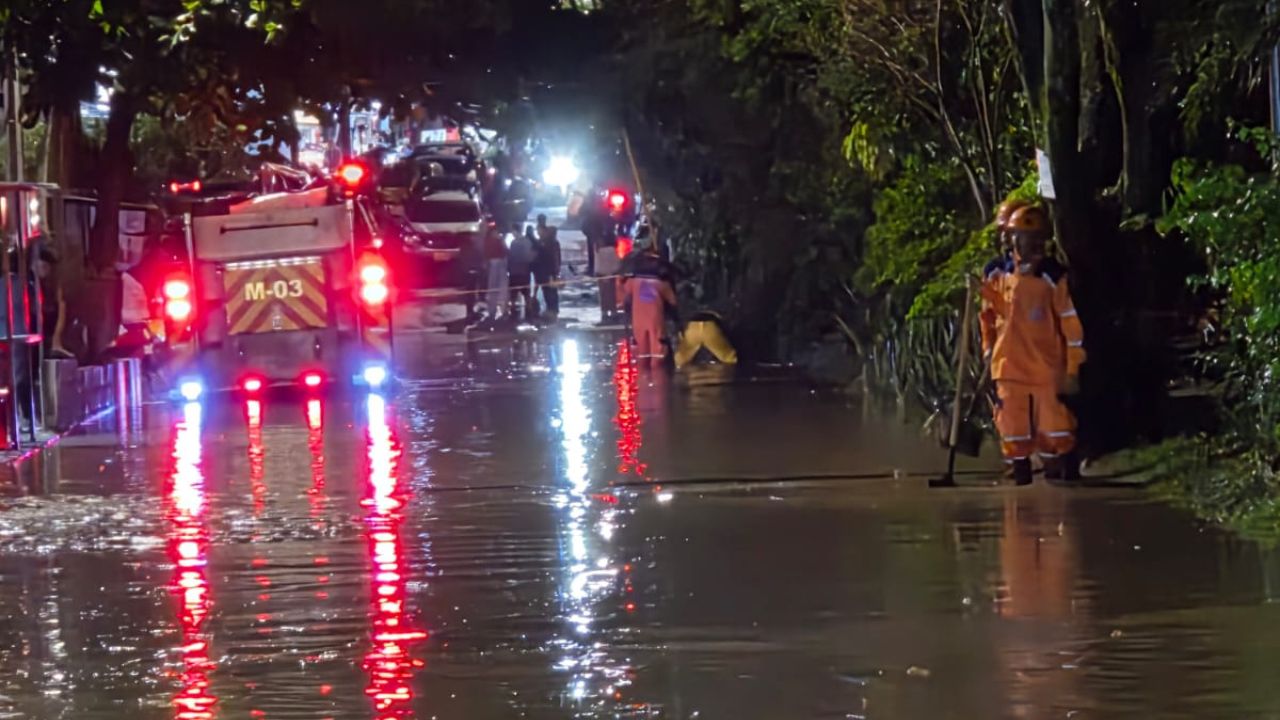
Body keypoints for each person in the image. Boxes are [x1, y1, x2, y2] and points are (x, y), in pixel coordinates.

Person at [980, 205, 1086, 485]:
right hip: (1007, 366)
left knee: (1055, 428)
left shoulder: (1052, 277)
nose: (1031, 245)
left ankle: (1063, 472)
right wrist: (987, 349)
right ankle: (1020, 476)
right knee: (1012, 427)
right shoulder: (996, 274)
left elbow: (1070, 324)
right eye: (1024, 238)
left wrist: (1072, 368)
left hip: (1046, 367)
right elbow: (988, 317)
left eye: (1036, 238)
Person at [980, 199, 1027, 355]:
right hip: (1006, 357)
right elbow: (987, 314)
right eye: (1001, 230)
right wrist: (988, 346)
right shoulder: (993, 270)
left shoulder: (1045, 270)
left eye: (1007, 230)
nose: (1003, 236)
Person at [622, 241, 678, 368]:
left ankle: (644, 383)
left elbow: (624, 293)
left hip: (638, 322)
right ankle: (659, 383)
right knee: (658, 357)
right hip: (656, 322)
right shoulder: (662, 284)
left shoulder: (633, 281)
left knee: (642, 357)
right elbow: (673, 301)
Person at [534, 217, 561, 322]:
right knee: (548, 290)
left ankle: (552, 309)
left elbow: (553, 258)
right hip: (547, 271)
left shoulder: (549, 244)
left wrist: (555, 270)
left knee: (550, 291)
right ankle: (552, 309)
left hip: (548, 271)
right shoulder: (546, 242)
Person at [507, 223, 536, 321]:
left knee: (514, 293)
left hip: (516, 271)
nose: (512, 233)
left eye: (512, 231)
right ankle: (529, 311)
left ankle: (514, 311)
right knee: (525, 292)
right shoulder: (527, 242)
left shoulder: (514, 243)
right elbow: (529, 257)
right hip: (524, 271)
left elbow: (511, 257)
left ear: (516, 231)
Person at [482, 224, 509, 325]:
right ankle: (500, 311)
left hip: (495, 264)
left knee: (495, 289)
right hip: (498, 264)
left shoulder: (488, 240)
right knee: (499, 289)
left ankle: (494, 311)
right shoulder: (495, 241)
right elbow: (506, 251)